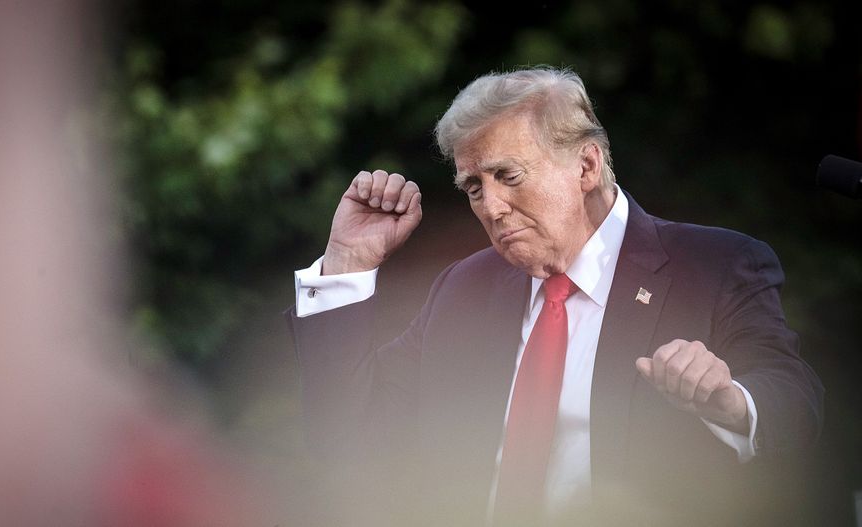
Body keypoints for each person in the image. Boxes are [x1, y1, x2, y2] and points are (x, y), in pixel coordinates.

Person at [287, 67, 823, 526]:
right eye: (474, 186)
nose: (491, 207)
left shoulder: (713, 265)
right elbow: (346, 438)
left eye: (507, 175)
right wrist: (346, 266)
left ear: (586, 166)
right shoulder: (463, 289)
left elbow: (795, 402)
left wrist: (730, 402)